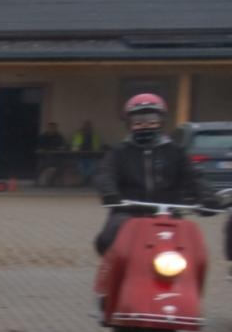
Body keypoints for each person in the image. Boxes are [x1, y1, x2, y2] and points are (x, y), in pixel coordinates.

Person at [92, 93, 219, 255]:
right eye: (138, 122)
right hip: (128, 212)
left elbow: (194, 176)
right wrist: (110, 193)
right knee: (105, 240)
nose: (145, 125)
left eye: (152, 120)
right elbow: (105, 174)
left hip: (169, 214)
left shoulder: (175, 152)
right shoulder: (119, 153)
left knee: (195, 251)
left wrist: (207, 197)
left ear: (161, 122)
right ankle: (111, 278)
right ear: (129, 124)